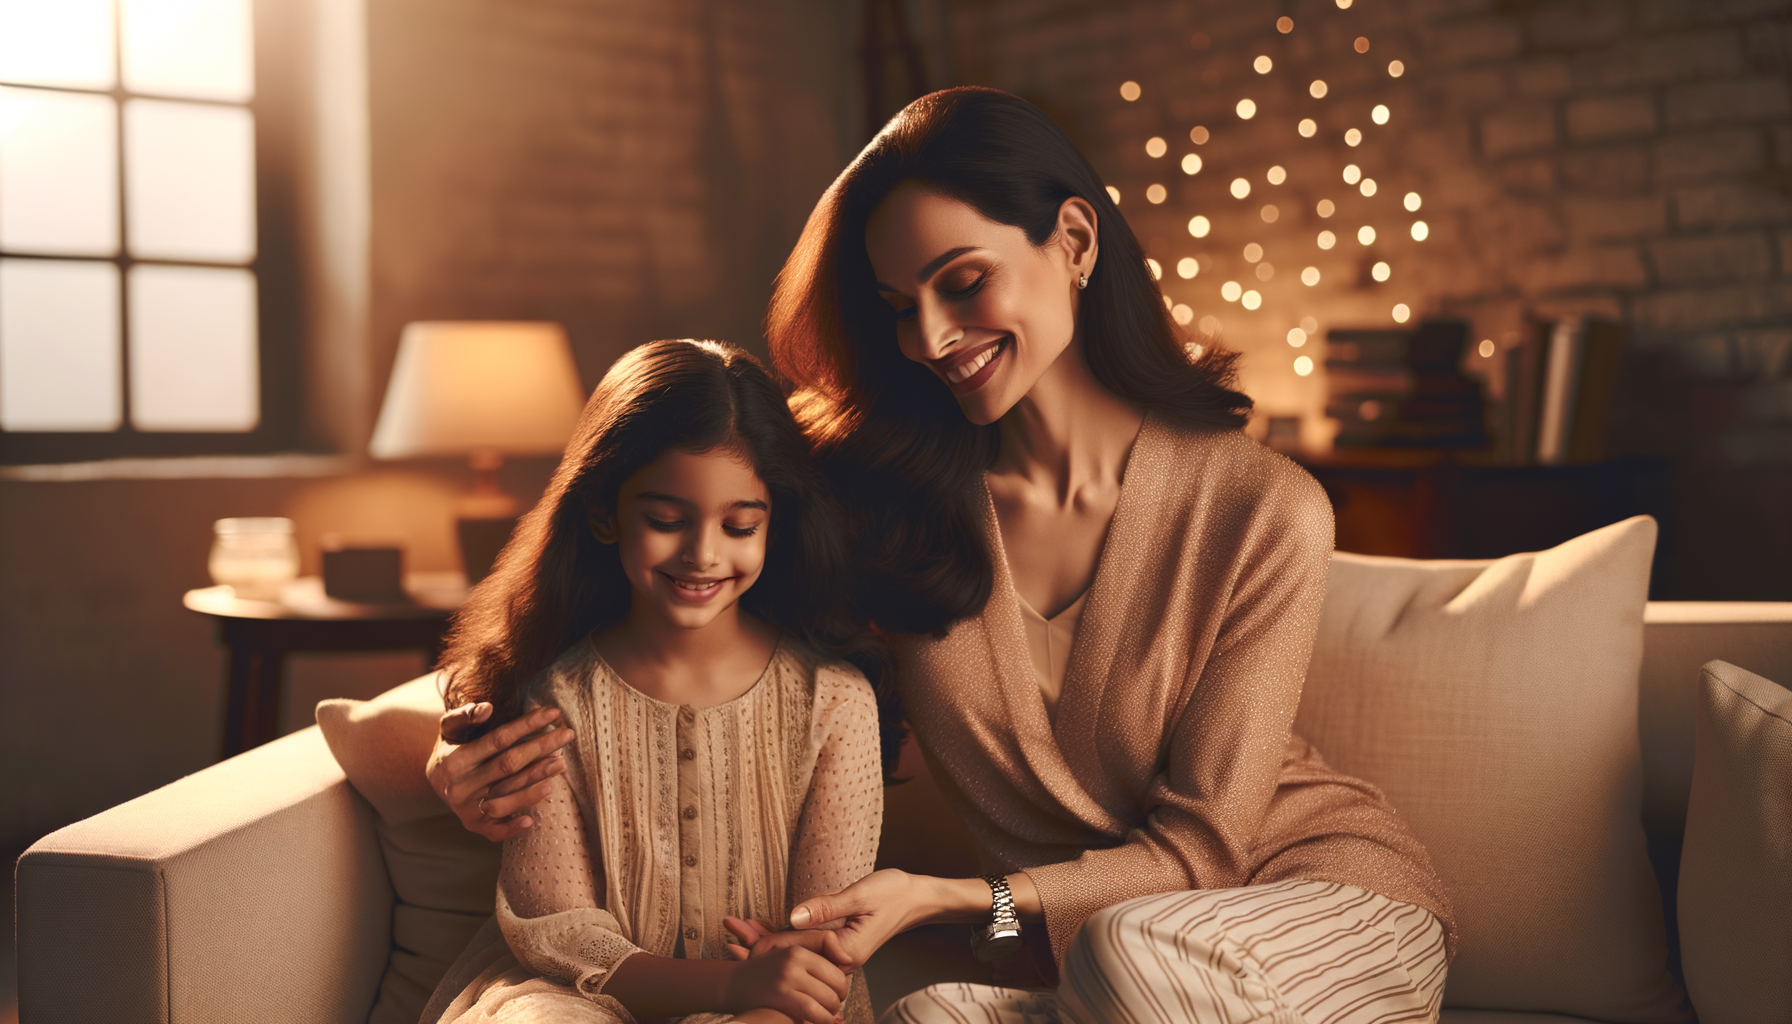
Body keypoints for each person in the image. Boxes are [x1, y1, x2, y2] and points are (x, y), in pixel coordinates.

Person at [435, 88, 1456, 1024]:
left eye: (962, 283)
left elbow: (1206, 853)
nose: (928, 336)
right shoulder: (878, 499)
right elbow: (628, 619)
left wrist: (951, 899)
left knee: (1133, 954)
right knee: (933, 1014)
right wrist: (452, 751)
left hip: (1316, 906)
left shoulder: (1262, 507)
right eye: (896, 304)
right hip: (1081, 955)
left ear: (1073, 238)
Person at [421, 339, 884, 1024]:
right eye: (667, 521)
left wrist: (757, 997)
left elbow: (824, 937)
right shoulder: (553, 699)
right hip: (580, 997)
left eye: (740, 525)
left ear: (774, 525)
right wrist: (727, 987)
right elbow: (562, 936)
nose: (703, 553)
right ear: (606, 513)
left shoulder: (835, 702)